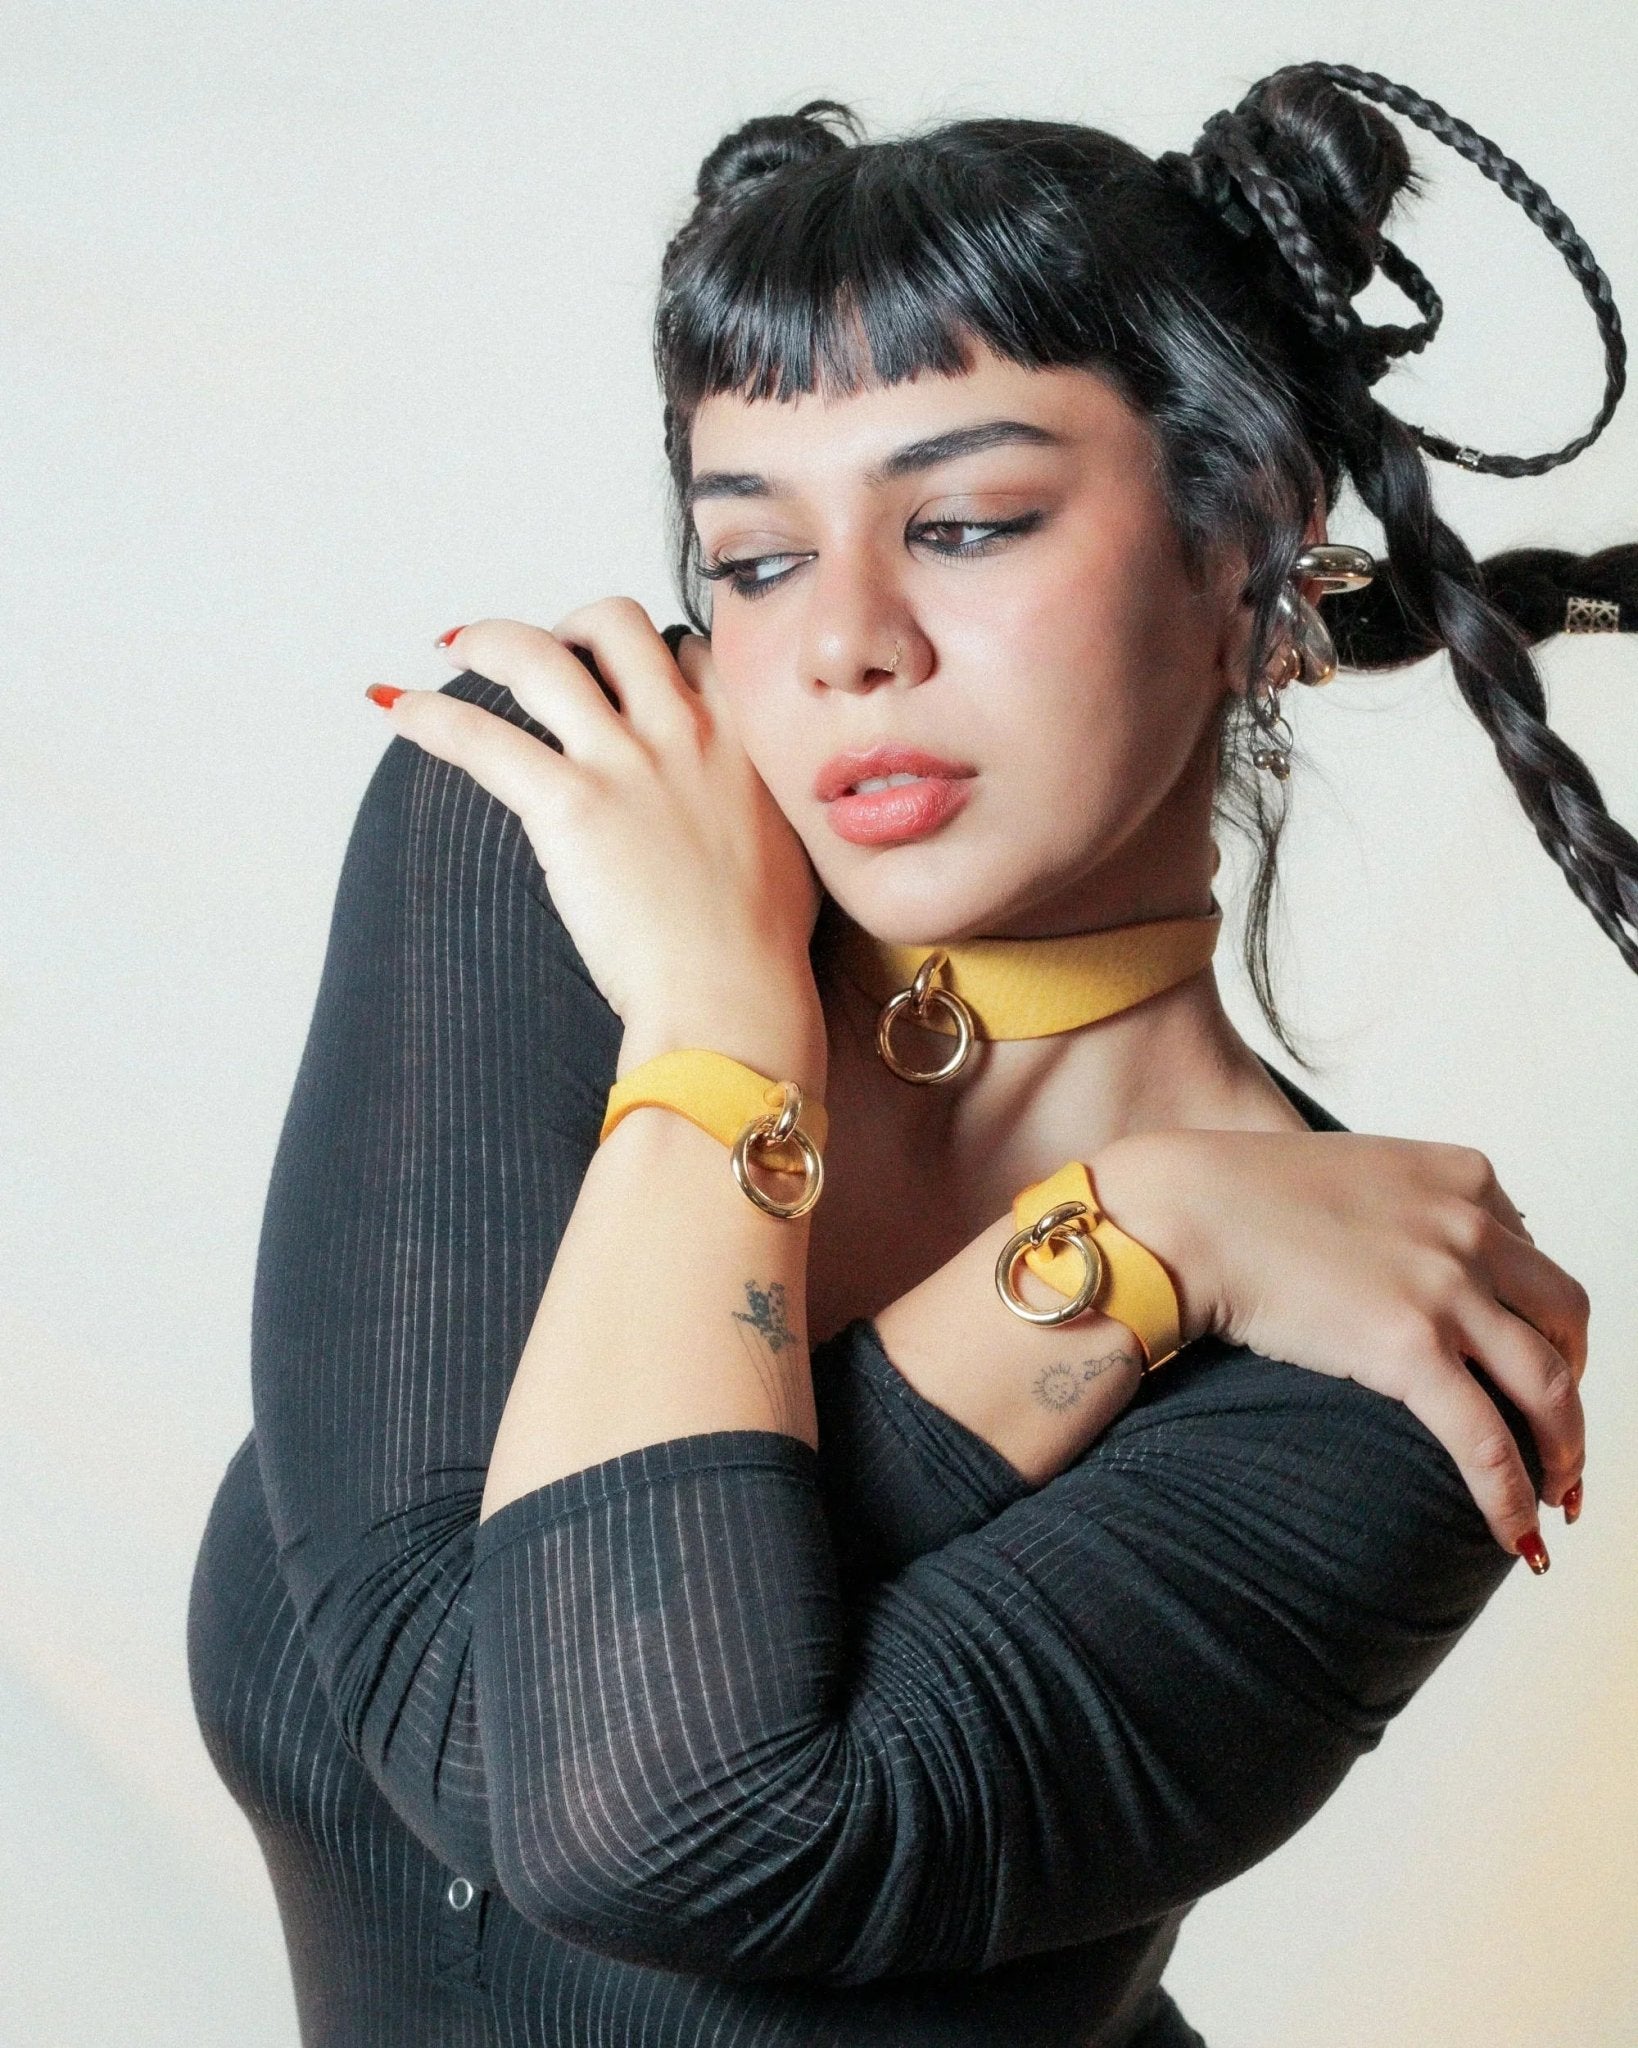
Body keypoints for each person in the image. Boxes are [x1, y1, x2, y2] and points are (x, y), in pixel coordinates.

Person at [189, 62, 1632, 2047]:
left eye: (965, 521)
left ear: (1252, 545)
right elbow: (462, 1703)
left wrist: (747, 1076)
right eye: (757, 558)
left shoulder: (1380, 1361)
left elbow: (637, 1817)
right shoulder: (554, 840)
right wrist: (1081, 1215)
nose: (841, 641)